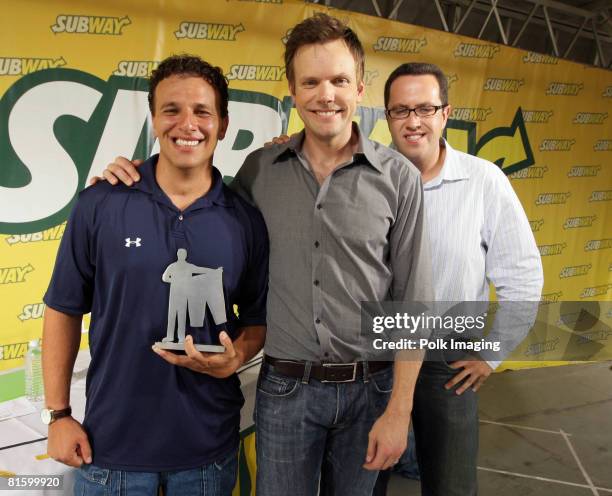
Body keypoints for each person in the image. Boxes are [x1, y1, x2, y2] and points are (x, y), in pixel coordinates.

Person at [100, 14, 433, 496]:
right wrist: (129, 181)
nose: (326, 95)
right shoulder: (260, 170)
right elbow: (202, 211)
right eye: (311, 82)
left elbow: (413, 302)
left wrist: (400, 411)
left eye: (339, 80)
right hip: (286, 390)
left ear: (359, 87)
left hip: (371, 390)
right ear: (293, 93)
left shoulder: (399, 178)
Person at [42, 55, 269, 496]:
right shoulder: (101, 204)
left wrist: (237, 356)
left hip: (207, 452)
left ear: (223, 123)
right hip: (111, 453)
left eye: (202, 111)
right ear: (154, 119)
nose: (188, 124)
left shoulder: (246, 220)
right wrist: (58, 414)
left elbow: (258, 320)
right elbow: (62, 309)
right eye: (172, 110)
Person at [373, 62, 543, 496]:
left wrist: (491, 352)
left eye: (425, 109)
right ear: (386, 117)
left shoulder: (483, 181)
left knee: (451, 486)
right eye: (400, 110)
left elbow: (522, 275)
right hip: (373, 351)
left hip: (447, 356)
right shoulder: (368, 178)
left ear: (445, 113)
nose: (413, 121)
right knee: (362, 480)